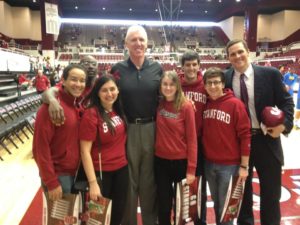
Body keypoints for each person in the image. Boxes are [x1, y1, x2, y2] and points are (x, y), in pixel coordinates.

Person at [224, 39, 294, 225]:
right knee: (243, 197)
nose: (237, 56)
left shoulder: (269, 74)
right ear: (228, 58)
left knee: (271, 195)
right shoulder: (225, 78)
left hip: (266, 141)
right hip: (238, 144)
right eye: (233, 54)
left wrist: (284, 125)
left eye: (240, 52)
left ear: (248, 52)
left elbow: (287, 102)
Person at [110, 25, 163, 225]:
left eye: (141, 39)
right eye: (133, 40)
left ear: (147, 43)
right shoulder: (117, 69)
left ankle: (151, 221)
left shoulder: (157, 68)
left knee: (149, 181)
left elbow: (171, 95)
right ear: (126, 44)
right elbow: (101, 92)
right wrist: (51, 94)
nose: (138, 44)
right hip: (127, 128)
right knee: (129, 180)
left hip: (152, 128)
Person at [202, 67, 251, 225]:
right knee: (218, 205)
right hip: (209, 163)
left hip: (229, 166)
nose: (213, 86)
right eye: (209, 83)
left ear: (223, 84)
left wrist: (244, 165)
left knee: (227, 210)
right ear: (205, 86)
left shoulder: (235, 105)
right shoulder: (206, 104)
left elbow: (245, 136)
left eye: (216, 82)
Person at [32, 64, 86, 201]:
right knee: (60, 221)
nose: (78, 84)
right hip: (59, 176)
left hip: (76, 172)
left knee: (73, 220)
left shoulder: (77, 104)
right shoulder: (49, 108)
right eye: (74, 79)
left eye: (82, 80)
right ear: (63, 80)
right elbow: (40, 148)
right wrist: (51, 181)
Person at [79, 75, 128, 225]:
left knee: (117, 213)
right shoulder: (91, 114)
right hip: (101, 173)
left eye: (112, 89)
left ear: (118, 90)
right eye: (104, 90)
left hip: (121, 170)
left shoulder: (118, 109)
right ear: (97, 93)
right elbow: (84, 151)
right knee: (96, 218)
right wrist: (93, 183)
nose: (109, 93)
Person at [155, 71, 197, 225]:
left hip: (181, 162)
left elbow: (192, 139)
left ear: (177, 86)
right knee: (164, 204)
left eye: (171, 84)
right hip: (161, 162)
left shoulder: (186, 106)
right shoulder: (158, 104)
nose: (168, 87)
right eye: (165, 84)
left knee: (181, 206)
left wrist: (191, 169)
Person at [179, 50, 207, 225]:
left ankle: (200, 220)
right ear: (182, 66)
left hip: (201, 143)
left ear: (199, 66)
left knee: (199, 186)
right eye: (187, 64)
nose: (191, 68)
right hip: (180, 144)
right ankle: (181, 219)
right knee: (182, 184)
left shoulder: (206, 85)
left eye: (194, 64)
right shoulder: (176, 86)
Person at [42, 55, 98, 125]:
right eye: (86, 63)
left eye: (94, 64)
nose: (91, 66)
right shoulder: (71, 84)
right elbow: (48, 92)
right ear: (80, 66)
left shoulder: (98, 85)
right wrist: (52, 101)